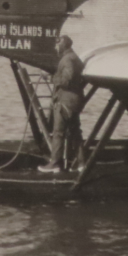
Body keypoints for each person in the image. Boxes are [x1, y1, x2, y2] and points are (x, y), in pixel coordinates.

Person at [38, 35, 87, 173]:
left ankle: (55, 164)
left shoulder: (66, 60)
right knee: (75, 132)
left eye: (57, 45)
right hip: (75, 101)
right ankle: (81, 163)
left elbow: (67, 79)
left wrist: (51, 77)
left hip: (64, 101)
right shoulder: (75, 58)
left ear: (63, 45)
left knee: (58, 133)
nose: (55, 48)